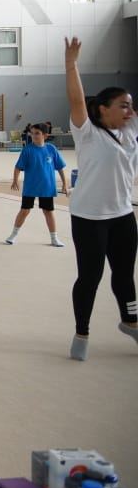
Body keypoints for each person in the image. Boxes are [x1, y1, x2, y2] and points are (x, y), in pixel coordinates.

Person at [62, 37, 138, 361]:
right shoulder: (87, 132)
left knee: (124, 275)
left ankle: (131, 322)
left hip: (122, 215)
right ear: (103, 109)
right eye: (122, 105)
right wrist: (71, 65)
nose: (129, 110)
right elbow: (77, 99)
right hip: (89, 217)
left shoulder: (130, 131)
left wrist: (130, 113)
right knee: (90, 277)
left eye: (130, 105)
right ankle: (82, 332)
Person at [7, 124, 68, 247]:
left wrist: (65, 184)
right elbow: (18, 167)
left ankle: (54, 238)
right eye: (32, 133)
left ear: (45, 135)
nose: (33, 136)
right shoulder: (27, 150)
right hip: (31, 187)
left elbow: (60, 167)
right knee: (24, 211)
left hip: (47, 187)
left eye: (37, 133)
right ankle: (13, 235)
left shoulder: (51, 149)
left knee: (48, 212)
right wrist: (15, 180)